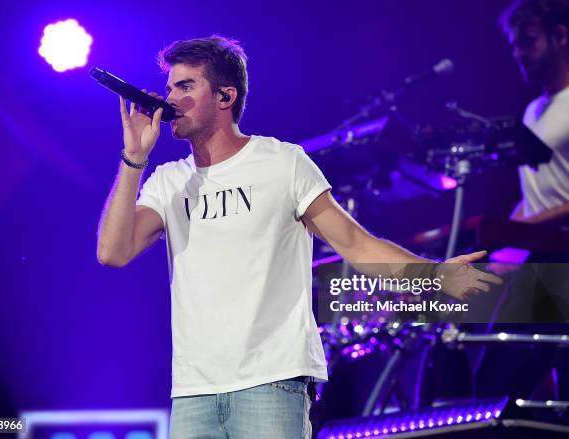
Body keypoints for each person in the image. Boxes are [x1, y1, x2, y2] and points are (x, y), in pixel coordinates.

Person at [96, 35, 500, 439]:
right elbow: (113, 252)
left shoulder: (281, 162)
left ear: (225, 96)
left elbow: (355, 243)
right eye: (169, 88)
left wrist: (432, 275)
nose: (170, 99)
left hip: (273, 382)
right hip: (193, 392)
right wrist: (134, 158)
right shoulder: (169, 182)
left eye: (185, 87)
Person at [501, 0, 569, 224]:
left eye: (528, 42)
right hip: (541, 249)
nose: (518, 54)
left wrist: (529, 227)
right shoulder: (531, 111)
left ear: (560, 36)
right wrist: (504, 235)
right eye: (514, 45)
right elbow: (536, 197)